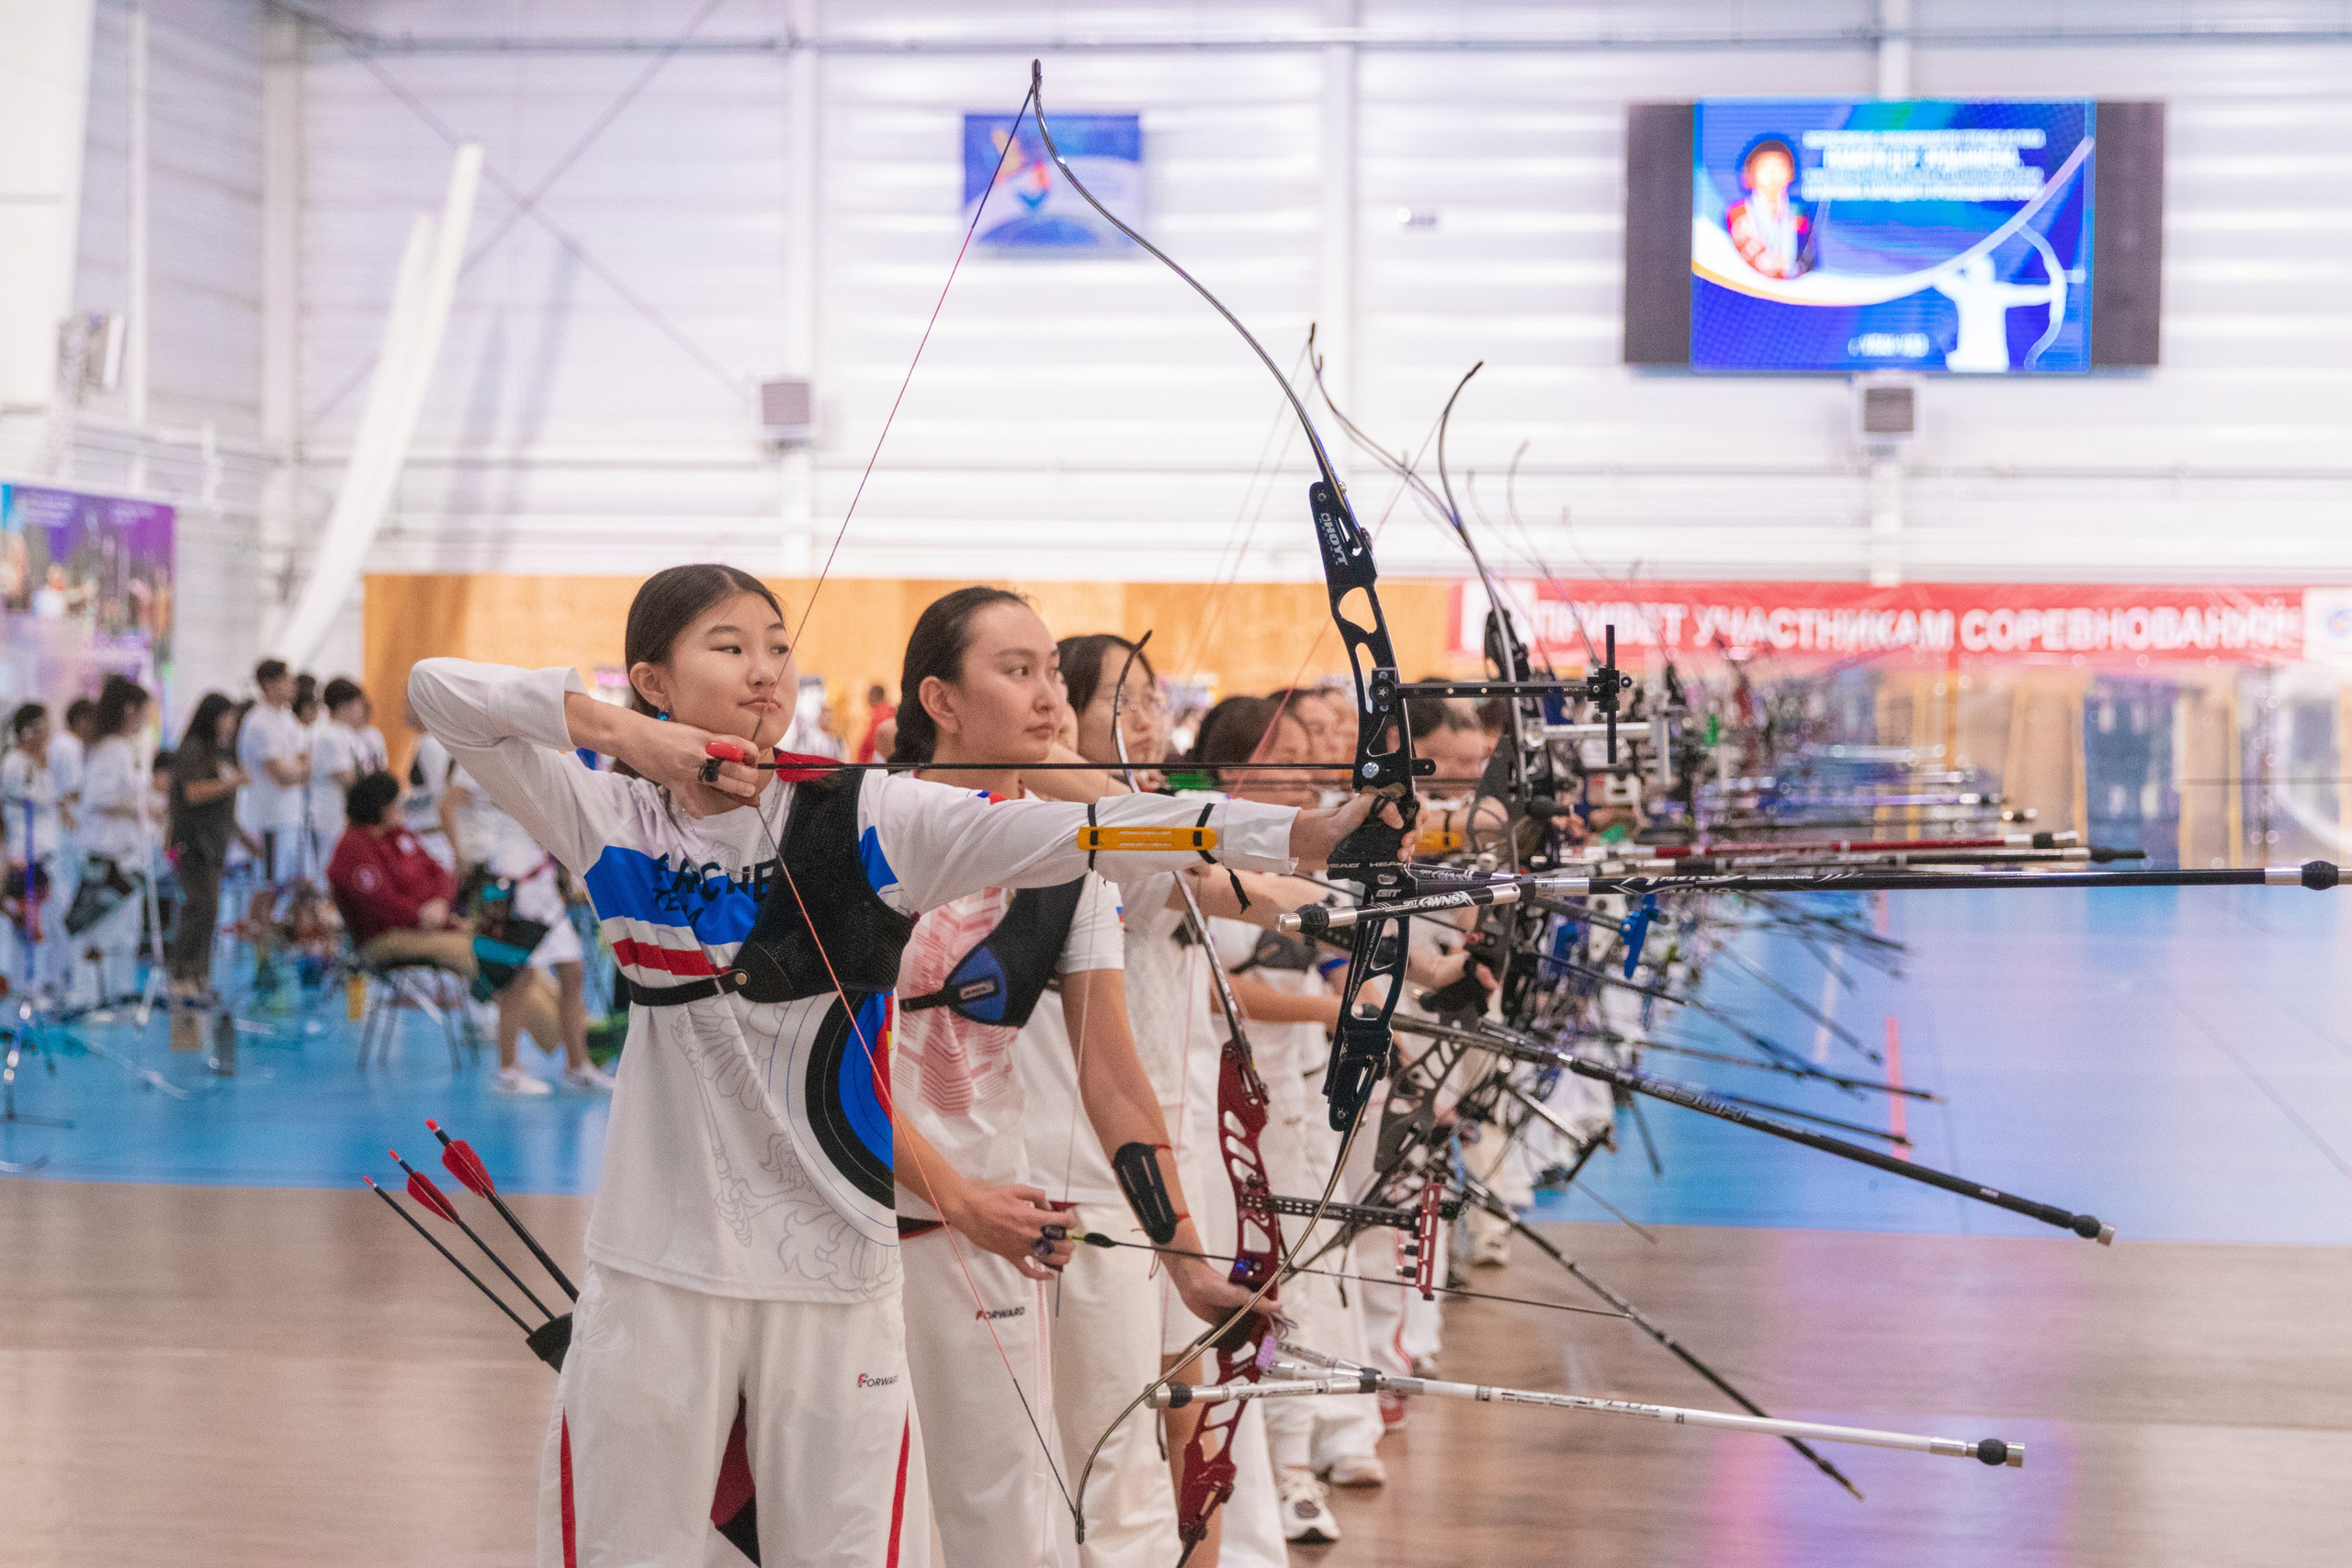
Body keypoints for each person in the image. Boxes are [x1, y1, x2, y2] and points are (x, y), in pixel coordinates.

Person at [404, 563, 1385, 1568]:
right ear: (654, 679)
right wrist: (626, 737)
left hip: (836, 1271)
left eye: (778, 648)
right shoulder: (609, 820)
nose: (764, 672)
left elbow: (1084, 828)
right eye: (729, 646)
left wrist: (1291, 833)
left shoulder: (864, 812)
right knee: (628, 1544)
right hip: (660, 1266)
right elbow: (435, 688)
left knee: (851, 1548)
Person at [885, 592, 1256, 1568]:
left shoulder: (1073, 872)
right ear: (939, 697)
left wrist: (1183, 1257)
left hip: (993, 1225)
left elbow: (1116, 1081)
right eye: (1017, 671)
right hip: (863, 1218)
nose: (1048, 695)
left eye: (1053, 670)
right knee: (861, 1507)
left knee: (1008, 1505)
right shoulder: (860, 834)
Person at [324, 770, 577, 1095]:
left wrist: (442, 906)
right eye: (394, 802)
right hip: (384, 940)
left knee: (515, 950)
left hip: (430, 928)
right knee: (482, 954)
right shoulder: (351, 851)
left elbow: (441, 874)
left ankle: (576, 1032)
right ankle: (558, 1036)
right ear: (380, 807)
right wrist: (423, 915)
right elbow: (380, 905)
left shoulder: (400, 835)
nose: (400, 805)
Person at [166, 694, 247, 1050]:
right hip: (193, 844)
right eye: (226, 718)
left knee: (208, 912)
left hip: (215, 845)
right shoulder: (194, 751)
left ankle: (199, 975)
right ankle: (181, 975)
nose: (231, 725)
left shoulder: (220, 752)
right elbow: (195, 792)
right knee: (201, 909)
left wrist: (244, 836)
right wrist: (232, 783)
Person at [74, 675, 153, 1003]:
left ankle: (117, 994)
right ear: (129, 710)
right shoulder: (111, 750)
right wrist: (140, 808)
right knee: (100, 929)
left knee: (124, 931)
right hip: (107, 854)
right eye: (144, 711)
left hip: (127, 854)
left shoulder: (126, 748)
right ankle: (90, 997)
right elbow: (98, 797)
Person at [237, 659, 311, 993]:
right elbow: (281, 775)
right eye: (286, 680)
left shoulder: (288, 719)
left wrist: (298, 770)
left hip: (291, 817)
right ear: (268, 683)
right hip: (268, 818)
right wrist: (298, 771)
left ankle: (281, 955)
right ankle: (261, 960)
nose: (292, 686)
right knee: (265, 888)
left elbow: (305, 763)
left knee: (287, 888)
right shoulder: (258, 722)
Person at [3, 703, 71, 996]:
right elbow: (37, 801)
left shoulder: (36, 763)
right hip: (25, 858)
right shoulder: (16, 763)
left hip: (44, 856)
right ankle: (24, 987)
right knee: (28, 926)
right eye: (43, 725)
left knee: (48, 925)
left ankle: (43, 983)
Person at [310, 678, 385, 880]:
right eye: (359, 704)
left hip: (347, 820)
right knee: (332, 877)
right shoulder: (328, 735)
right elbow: (348, 780)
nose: (363, 710)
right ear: (345, 707)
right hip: (331, 821)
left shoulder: (350, 735)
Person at [1725, 133, 1812, 279]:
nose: (1773, 174)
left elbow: (1811, 260)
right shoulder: (1737, 213)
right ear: (1750, 174)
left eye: (1780, 166)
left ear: (1791, 173)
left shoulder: (1800, 213)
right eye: (1764, 166)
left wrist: (1793, 268)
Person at [856, 682, 895, 763]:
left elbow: (874, 740)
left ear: (874, 695)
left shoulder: (881, 712)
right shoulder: (887, 711)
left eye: (868, 695)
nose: (867, 699)